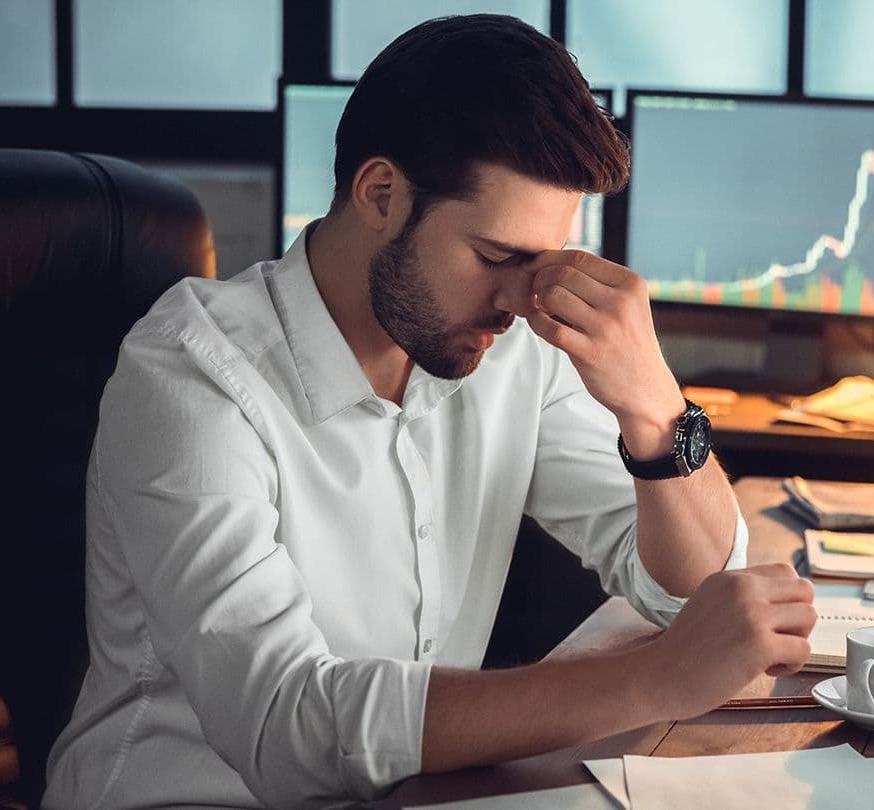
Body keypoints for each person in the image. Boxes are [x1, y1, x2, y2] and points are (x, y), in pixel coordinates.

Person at [43, 14, 815, 809]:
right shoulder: (190, 374)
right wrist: (652, 679)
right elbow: (285, 728)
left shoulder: (512, 349)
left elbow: (696, 601)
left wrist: (654, 404)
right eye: (494, 257)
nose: (519, 301)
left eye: (540, 263)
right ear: (381, 194)